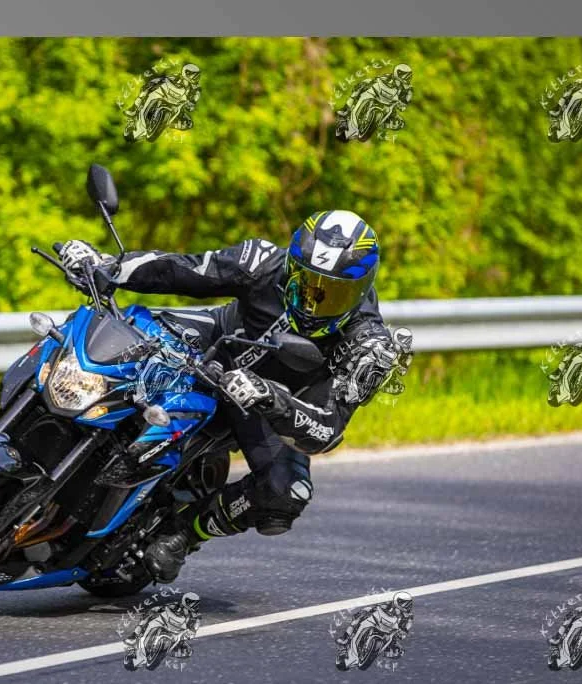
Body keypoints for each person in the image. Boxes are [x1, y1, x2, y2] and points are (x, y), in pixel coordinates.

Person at [59, 209, 395, 583]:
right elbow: (184, 269)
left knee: (287, 492)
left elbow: (327, 431)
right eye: (305, 282)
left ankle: (183, 534)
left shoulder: (368, 346)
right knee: (120, 334)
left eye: (333, 294)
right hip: (216, 341)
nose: (313, 302)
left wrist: (272, 398)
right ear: (290, 265)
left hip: (268, 404)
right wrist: (107, 266)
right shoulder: (262, 261)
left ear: (361, 291)